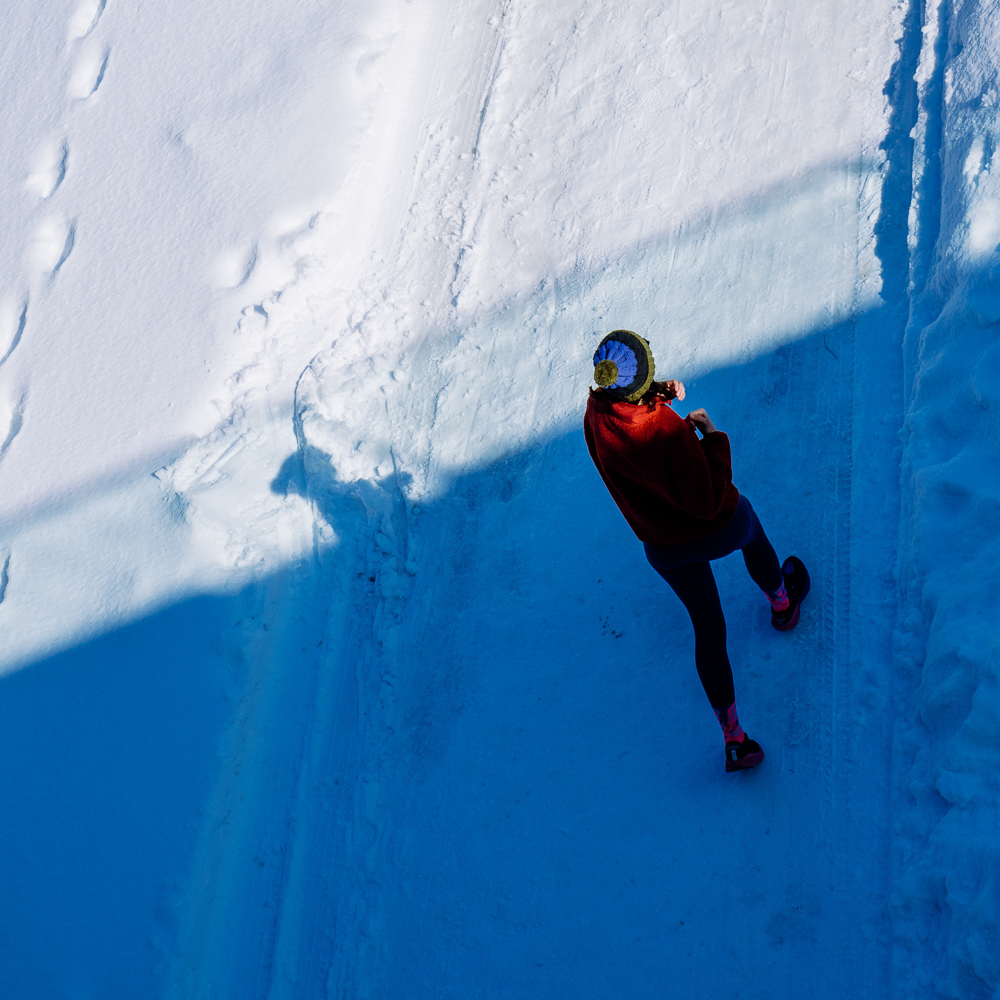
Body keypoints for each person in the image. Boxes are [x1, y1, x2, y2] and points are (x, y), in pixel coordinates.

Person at [583, 330, 809, 772]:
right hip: (711, 527)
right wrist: (712, 438)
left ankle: (734, 740)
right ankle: (783, 604)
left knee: (708, 627)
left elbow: (634, 438)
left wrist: (656, 394)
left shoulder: (596, 412)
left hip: (662, 545)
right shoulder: (666, 431)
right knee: (749, 522)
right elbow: (705, 501)